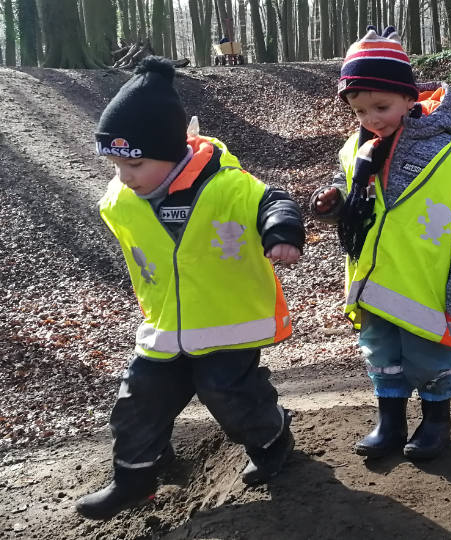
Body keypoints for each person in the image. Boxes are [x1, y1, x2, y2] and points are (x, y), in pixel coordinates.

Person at [77, 57, 305, 520]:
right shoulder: (123, 197)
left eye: (136, 163)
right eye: (116, 163)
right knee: (139, 398)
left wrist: (280, 232)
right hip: (165, 324)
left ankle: (271, 438)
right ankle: (135, 476)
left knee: (229, 394)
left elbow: (274, 201)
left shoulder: (226, 186)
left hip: (226, 323)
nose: (125, 176)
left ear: (174, 151)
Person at [311, 26, 451, 461]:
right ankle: (390, 421)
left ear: (410, 98)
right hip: (373, 281)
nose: (371, 119)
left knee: (430, 356)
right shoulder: (355, 149)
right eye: (359, 110)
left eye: (382, 106)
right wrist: (334, 204)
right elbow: (353, 198)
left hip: (426, 283)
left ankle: (436, 422)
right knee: (381, 354)